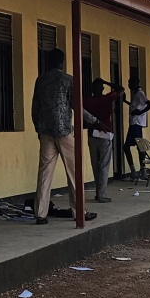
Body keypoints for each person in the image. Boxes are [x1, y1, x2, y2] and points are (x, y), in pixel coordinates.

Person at [30, 48, 97, 225]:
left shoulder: (40, 81)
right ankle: (79, 212)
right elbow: (76, 105)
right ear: (62, 62)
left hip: (46, 132)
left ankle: (40, 214)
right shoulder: (68, 80)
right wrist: (94, 120)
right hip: (65, 131)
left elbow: (35, 108)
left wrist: (38, 128)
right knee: (75, 173)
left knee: (45, 173)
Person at [83, 78, 121, 203]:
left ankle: (98, 192)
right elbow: (121, 89)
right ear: (102, 88)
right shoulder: (107, 98)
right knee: (104, 165)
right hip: (105, 135)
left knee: (95, 165)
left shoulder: (87, 101)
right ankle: (101, 194)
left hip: (92, 135)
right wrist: (106, 82)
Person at [123, 76, 150, 177]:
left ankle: (142, 170)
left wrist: (140, 112)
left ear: (135, 83)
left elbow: (149, 104)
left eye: (129, 83)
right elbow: (134, 107)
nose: (128, 85)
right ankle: (135, 171)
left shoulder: (140, 93)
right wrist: (125, 101)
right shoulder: (135, 93)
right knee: (130, 147)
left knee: (138, 147)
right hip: (133, 123)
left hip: (137, 123)